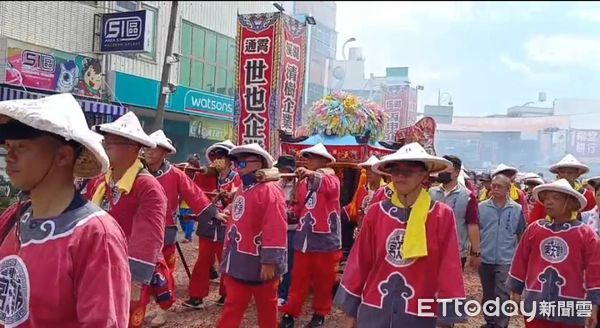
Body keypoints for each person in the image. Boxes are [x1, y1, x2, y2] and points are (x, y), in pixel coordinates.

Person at [0, 94, 130, 326]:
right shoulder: (14, 217)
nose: (9, 157)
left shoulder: (96, 235)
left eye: (22, 147)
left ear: (63, 156)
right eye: (8, 146)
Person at [334, 142, 466, 327]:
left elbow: (449, 267)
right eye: (396, 171)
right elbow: (360, 262)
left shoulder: (441, 215)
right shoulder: (376, 213)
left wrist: (447, 316)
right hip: (375, 306)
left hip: (420, 311)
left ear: (424, 174)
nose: (401, 176)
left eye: (409, 170)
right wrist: (351, 312)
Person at [85, 111, 168, 328]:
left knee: (126, 319)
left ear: (134, 147)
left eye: (115, 139)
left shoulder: (148, 187)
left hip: (124, 269)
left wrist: (135, 278)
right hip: (96, 263)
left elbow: (148, 237)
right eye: (107, 138)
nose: (107, 143)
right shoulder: (101, 180)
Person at [143, 130, 216, 327]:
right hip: (139, 232)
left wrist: (213, 213)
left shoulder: (175, 174)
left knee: (165, 272)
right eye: (147, 147)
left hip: (165, 230)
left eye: (154, 148)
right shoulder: (136, 172)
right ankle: (139, 308)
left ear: (165, 152)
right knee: (140, 272)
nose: (149, 152)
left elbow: (194, 195)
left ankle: (162, 309)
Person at [507, 179, 600, 328]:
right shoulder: (534, 229)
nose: (548, 202)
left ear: (569, 202)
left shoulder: (585, 234)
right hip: (536, 301)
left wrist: (594, 305)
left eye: (555, 198)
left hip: (571, 306)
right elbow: (520, 260)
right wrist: (515, 290)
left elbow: (594, 272)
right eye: (547, 198)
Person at [216, 143, 287, 328]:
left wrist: (270, 260)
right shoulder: (243, 187)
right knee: (232, 305)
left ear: (258, 164)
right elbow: (242, 209)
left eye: (242, 163)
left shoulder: (270, 191)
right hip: (239, 258)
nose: (238, 167)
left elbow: (275, 226)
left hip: (260, 261)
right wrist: (229, 211)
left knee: (267, 306)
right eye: (237, 163)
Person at [280, 143, 342, 328]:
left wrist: (312, 175)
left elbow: (329, 187)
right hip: (304, 239)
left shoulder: (333, 179)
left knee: (324, 281)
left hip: (325, 240)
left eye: (314, 157)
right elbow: (299, 207)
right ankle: (290, 312)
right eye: (308, 157)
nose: (310, 160)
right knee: (298, 279)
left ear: (324, 161)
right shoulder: (303, 182)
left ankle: (320, 313)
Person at [184, 139, 240, 309]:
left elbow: (238, 200)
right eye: (214, 156)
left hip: (227, 225)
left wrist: (227, 207)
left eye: (221, 156)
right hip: (208, 224)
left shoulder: (237, 178)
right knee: (202, 261)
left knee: (227, 261)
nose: (217, 159)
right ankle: (197, 296)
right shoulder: (207, 176)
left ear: (230, 160)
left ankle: (227, 294)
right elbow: (197, 194)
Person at [478, 174, 526, 328]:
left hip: (506, 259)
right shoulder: (482, 207)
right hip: (485, 256)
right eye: (493, 185)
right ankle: (490, 321)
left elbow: (521, 234)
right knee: (488, 293)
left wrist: (520, 259)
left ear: (508, 189)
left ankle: (501, 324)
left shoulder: (516, 209)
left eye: (499, 186)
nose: (495, 189)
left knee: (503, 293)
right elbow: (476, 231)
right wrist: (475, 252)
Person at [429, 155, 481, 270]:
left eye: (446, 168)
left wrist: (476, 252)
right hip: (431, 249)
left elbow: (472, 224)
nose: (441, 172)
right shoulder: (430, 193)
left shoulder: (467, 196)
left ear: (456, 172)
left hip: (456, 251)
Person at [529, 154, 596, 222]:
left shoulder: (589, 196)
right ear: (557, 173)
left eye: (570, 173)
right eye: (562, 172)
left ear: (577, 175)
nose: (565, 175)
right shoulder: (547, 195)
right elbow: (534, 220)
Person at [274, 155, 298, 307]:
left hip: (292, 230)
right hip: (277, 229)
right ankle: (274, 292)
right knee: (276, 262)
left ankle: (284, 294)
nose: (282, 172)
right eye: (280, 169)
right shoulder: (276, 184)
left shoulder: (300, 185)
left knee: (289, 264)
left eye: (284, 169)